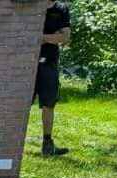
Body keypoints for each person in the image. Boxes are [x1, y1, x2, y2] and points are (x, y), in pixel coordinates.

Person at [36, 0, 71, 156]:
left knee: (49, 103)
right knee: (20, 102)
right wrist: (52, 37)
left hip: (49, 61)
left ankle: (47, 144)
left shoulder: (61, 9)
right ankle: (10, 143)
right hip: (26, 61)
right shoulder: (34, 6)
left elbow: (65, 37)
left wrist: (42, 37)